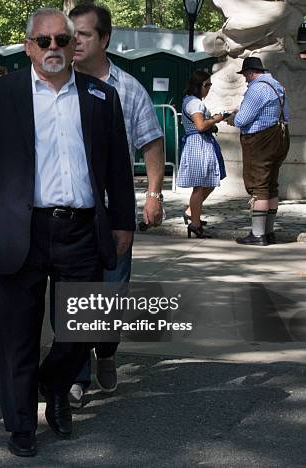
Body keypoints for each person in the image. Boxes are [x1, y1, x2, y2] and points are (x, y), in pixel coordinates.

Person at [0, 8, 134, 457]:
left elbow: (118, 166)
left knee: (83, 327)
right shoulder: (1, 95)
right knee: (16, 334)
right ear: (28, 47)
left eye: (63, 40)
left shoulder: (101, 97)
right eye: (45, 41)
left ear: (73, 45)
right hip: (17, 229)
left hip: (81, 231)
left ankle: (54, 386)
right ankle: (21, 423)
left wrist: (123, 221)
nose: (55, 48)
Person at [68, 3, 165, 408]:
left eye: (83, 35)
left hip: (114, 213)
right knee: (74, 297)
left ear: (104, 39)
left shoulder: (128, 89)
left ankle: (105, 351)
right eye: (70, 35)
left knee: (109, 298)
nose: (73, 43)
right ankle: (75, 374)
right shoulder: (59, 84)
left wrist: (154, 193)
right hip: (68, 211)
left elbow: (152, 141)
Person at [227, 56, 290, 246]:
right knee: (271, 185)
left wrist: (233, 117)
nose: (245, 79)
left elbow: (242, 120)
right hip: (280, 137)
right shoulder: (277, 86)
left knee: (259, 187)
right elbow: (286, 115)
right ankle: (268, 232)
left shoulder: (256, 88)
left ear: (251, 72)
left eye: (245, 75)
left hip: (260, 140)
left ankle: (258, 234)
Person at [176, 70, 227, 239]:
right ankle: (195, 224)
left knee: (209, 182)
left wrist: (210, 121)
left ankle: (192, 212)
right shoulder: (194, 103)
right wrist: (216, 119)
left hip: (200, 144)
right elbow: (200, 125)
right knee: (200, 186)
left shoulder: (192, 101)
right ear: (199, 85)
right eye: (207, 85)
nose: (209, 88)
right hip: (198, 144)